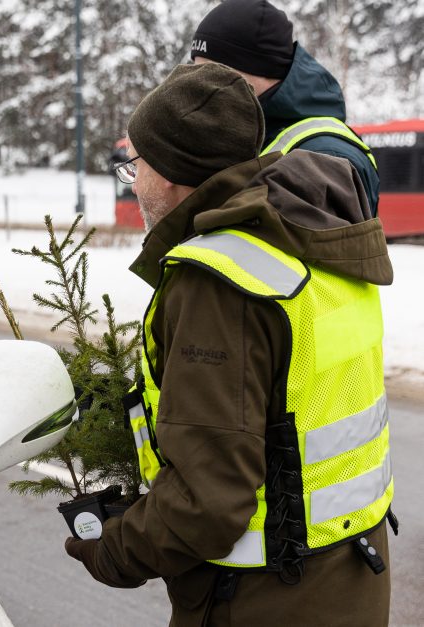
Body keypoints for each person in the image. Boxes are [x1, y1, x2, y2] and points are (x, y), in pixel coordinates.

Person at [64, 63, 395, 626]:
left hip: (267, 600)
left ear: (170, 173)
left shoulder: (219, 282)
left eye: (136, 167)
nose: (136, 183)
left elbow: (207, 504)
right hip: (351, 577)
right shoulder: (309, 231)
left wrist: (114, 549)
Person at [190, 0, 380, 216]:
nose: (200, 85)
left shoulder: (325, 157)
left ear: (258, 68)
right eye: (194, 71)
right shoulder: (240, 133)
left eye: (212, 72)